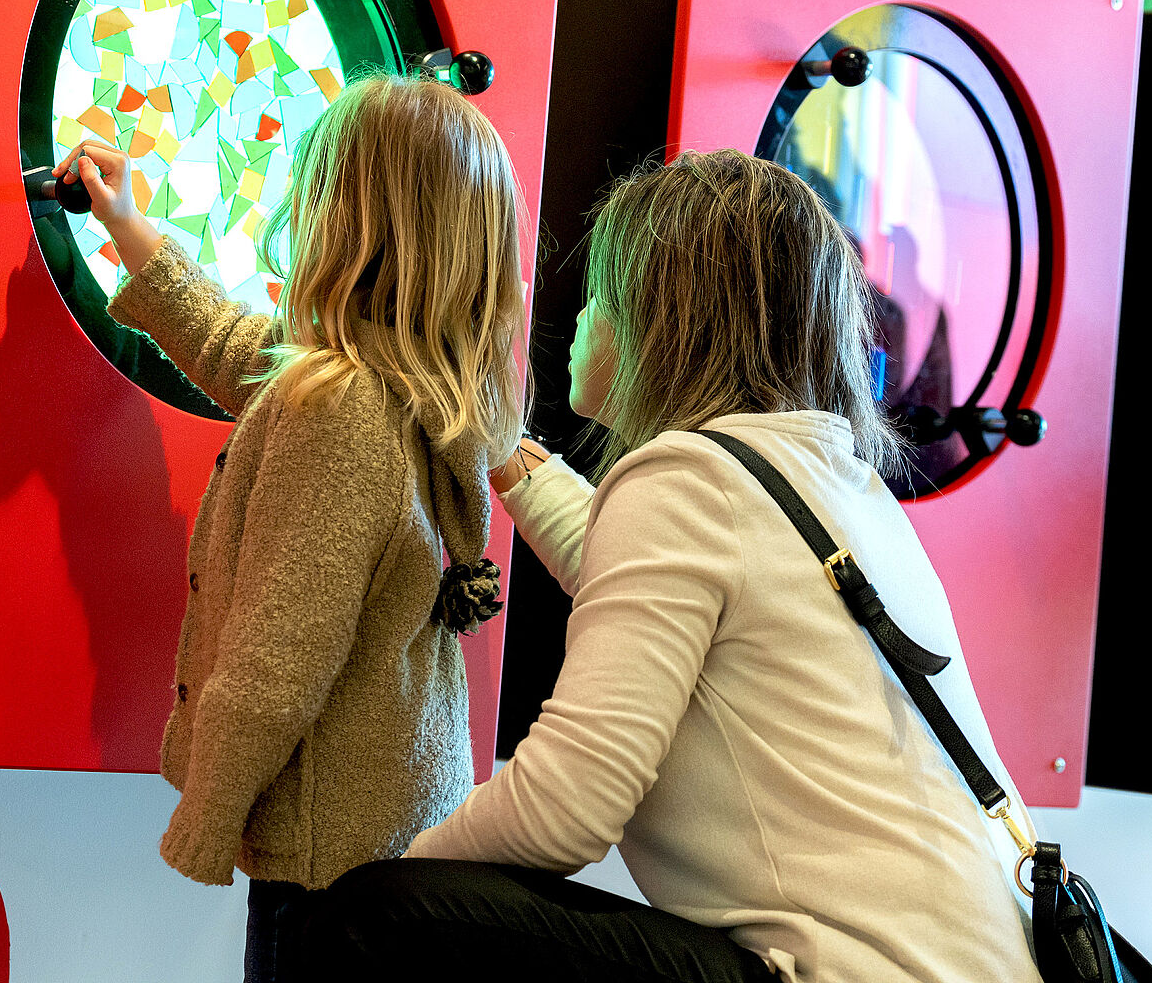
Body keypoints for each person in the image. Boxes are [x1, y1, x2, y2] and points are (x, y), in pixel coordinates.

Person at [305, 150, 1040, 982]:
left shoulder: (686, 483)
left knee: (372, 915)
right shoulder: (827, 480)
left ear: (662, 317)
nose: (580, 316)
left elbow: (561, 812)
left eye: (602, 290)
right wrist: (498, 440)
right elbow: (627, 564)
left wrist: (402, 863)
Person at [54, 73, 527, 983]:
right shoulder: (412, 384)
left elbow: (278, 658)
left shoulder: (340, 408)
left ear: (348, 224)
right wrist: (129, 229)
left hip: (327, 868)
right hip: (394, 828)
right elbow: (240, 350)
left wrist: (208, 817)